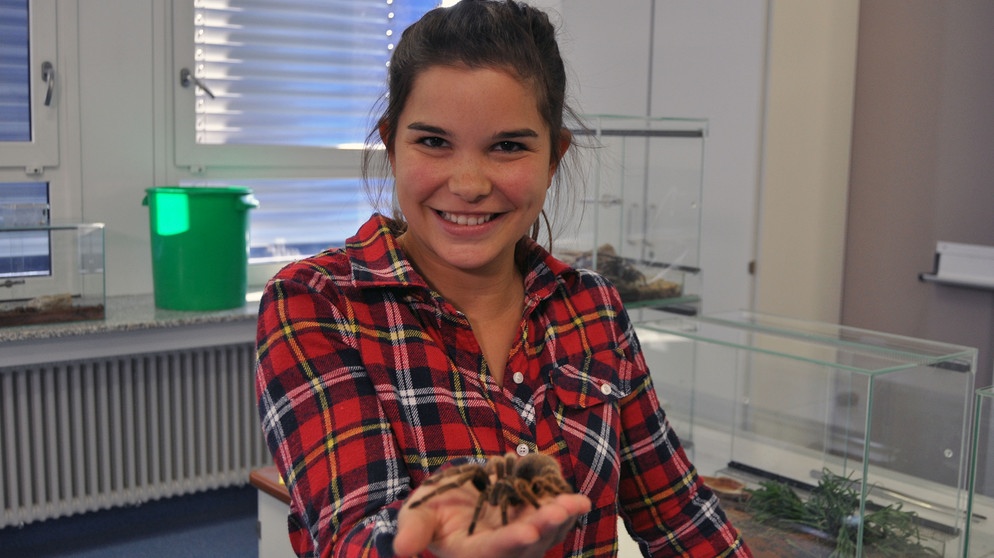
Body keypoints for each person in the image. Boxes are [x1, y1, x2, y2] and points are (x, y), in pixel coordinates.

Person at [255, 1, 752, 556]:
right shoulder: (317, 303)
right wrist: (428, 540)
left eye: (508, 146)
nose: (468, 184)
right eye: (434, 142)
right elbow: (349, 530)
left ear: (554, 156)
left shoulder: (593, 308)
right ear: (392, 144)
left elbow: (680, 514)